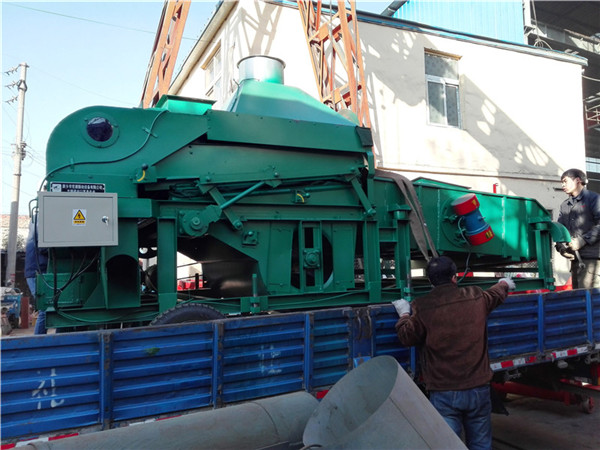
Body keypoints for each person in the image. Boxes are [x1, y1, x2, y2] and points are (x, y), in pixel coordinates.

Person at [394, 256, 515, 450]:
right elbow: (495, 294)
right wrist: (504, 283)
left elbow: (406, 336)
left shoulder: (422, 306)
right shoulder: (475, 296)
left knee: (449, 445)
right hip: (478, 388)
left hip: (444, 392)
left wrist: (404, 314)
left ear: (430, 280)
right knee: (481, 444)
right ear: (454, 277)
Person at [556, 168, 600, 289]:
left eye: (565, 181)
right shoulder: (565, 205)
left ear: (577, 180)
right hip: (576, 261)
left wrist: (583, 240)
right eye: (562, 182)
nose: (563, 185)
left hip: (593, 260)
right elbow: (561, 230)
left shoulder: (594, 199)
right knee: (580, 297)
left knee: (591, 297)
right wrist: (561, 248)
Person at [25, 216, 48, 334]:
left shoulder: (36, 223)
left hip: (38, 273)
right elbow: (44, 249)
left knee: (49, 309)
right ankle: (39, 340)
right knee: (45, 309)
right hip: (37, 274)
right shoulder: (39, 222)